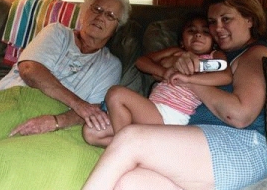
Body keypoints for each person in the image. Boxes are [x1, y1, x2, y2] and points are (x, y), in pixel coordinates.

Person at [82, 0, 267, 190]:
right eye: (212, 22)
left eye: (226, 19)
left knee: (130, 139)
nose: (218, 28)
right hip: (198, 140)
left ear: (249, 19)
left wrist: (186, 78)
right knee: (129, 182)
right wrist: (171, 68)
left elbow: (240, 114)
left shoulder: (253, 54)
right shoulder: (216, 55)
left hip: (240, 147)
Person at [0, 0, 131, 136]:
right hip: (10, 101)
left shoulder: (110, 65)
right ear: (85, 12)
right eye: (97, 9)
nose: (100, 17)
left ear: (116, 29)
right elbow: (29, 70)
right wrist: (78, 104)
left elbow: (95, 111)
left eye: (110, 15)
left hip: (55, 123)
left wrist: (55, 122)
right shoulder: (57, 33)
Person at [83, 12, 232, 147]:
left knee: (116, 94)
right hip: (153, 109)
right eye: (191, 31)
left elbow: (225, 76)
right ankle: (141, 149)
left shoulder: (214, 55)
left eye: (205, 31)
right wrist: (165, 72)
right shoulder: (177, 52)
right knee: (91, 132)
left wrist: (189, 79)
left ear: (214, 41)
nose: (198, 35)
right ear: (181, 41)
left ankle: (126, 149)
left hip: (171, 115)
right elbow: (142, 62)